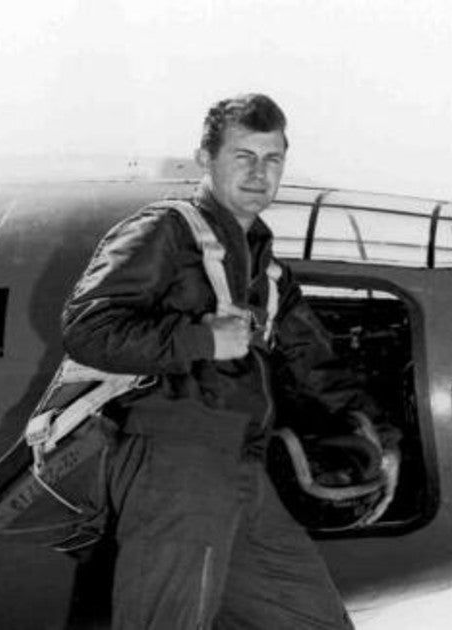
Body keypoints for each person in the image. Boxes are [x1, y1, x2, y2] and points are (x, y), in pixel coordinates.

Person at [62, 93, 382, 629]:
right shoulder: (164, 230)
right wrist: (201, 340)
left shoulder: (265, 266)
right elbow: (87, 330)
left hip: (243, 468)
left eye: (272, 159)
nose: (260, 173)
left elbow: (314, 365)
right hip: (175, 461)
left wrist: (377, 434)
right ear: (205, 159)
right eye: (243, 156)